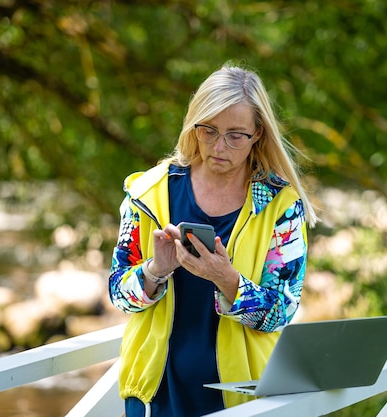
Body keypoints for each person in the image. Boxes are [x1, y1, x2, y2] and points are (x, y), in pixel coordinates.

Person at [108, 63, 318, 417]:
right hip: (154, 393)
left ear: (258, 135)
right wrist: (155, 271)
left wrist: (227, 279)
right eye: (209, 130)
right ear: (195, 126)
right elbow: (119, 295)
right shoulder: (149, 192)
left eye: (236, 135)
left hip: (245, 396)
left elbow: (281, 311)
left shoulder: (281, 206)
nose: (220, 146)